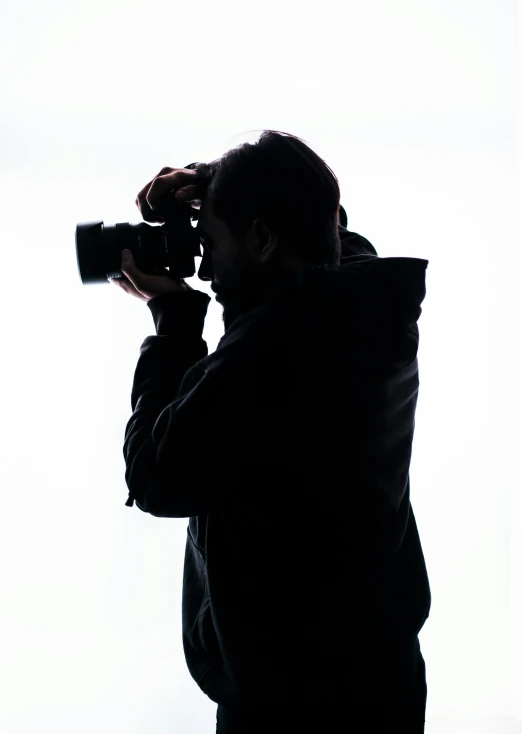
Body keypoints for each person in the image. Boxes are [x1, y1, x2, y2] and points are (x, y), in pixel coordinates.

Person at [113, 131, 431, 733]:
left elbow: (157, 477)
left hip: (287, 702)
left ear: (262, 237)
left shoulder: (269, 352)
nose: (202, 266)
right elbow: (323, 216)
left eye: (209, 241)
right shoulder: (372, 305)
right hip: (383, 677)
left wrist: (173, 322)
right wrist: (214, 184)